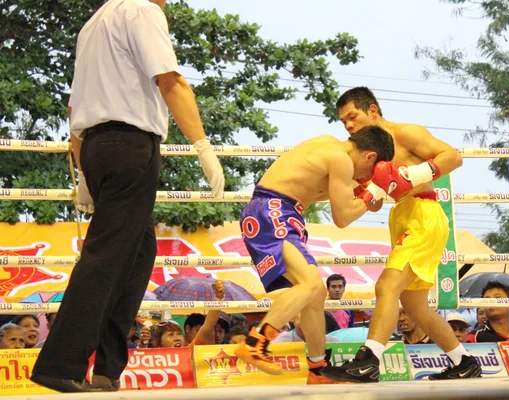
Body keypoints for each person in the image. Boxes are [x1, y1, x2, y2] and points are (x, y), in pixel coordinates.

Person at [31, 0, 225, 393]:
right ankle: (59, 364)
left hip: (98, 148)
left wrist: (85, 170)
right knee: (104, 258)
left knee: (138, 254)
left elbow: (76, 107)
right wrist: (202, 145)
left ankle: (107, 367)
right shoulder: (142, 11)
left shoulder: (93, 23)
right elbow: (171, 81)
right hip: (130, 146)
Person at [321, 86, 480, 383]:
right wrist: (369, 187)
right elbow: (378, 200)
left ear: (372, 110)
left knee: (386, 287)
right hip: (403, 217)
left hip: (424, 214)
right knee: (414, 304)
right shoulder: (370, 151)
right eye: (343, 122)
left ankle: (368, 361)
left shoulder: (405, 133)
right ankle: (464, 362)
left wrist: (411, 175)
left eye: (352, 117)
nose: (349, 126)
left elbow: (453, 157)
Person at [234, 126, 395, 383]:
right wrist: (373, 190)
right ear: (370, 156)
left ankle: (317, 368)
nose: (365, 175)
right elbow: (343, 218)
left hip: (276, 212)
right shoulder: (340, 160)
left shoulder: (329, 148)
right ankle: (256, 342)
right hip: (274, 210)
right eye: (370, 170)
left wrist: (371, 188)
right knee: (309, 285)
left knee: (316, 293)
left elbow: (364, 203)